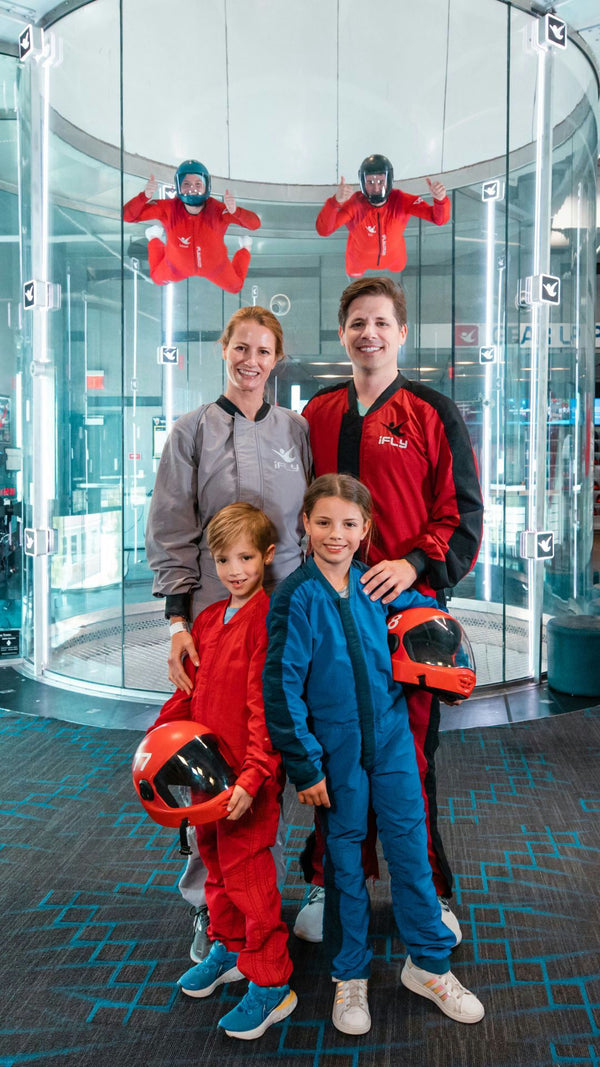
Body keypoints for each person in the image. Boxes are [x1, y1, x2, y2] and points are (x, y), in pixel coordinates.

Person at [295, 275, 483, 944]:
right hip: (330, 617)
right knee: (336, 751)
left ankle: (427, 889)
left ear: (401, 333)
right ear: (342, 334)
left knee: (409, 761)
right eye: (356, 323)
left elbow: (463, 514)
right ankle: (327, 877)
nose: (368, 332)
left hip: (407, 616)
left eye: (380, 322)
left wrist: (416, 564)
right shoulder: (314, 413)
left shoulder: (433, 412)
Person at [263, 475, 485, 1035]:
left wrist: (417, 576)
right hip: (334, 757)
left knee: (412, 853)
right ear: (305, 526)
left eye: (349, 524)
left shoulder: (376, 586)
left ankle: (429, 965)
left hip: (390, 746)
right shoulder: (295, 596)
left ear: (366, 531)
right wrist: (305, 765)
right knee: (344, 865)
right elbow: (281, 688)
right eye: (323, 522)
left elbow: (430, 620)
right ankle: (350, 975)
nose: (336, 535)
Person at [145, 304, 311, 960]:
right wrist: (178, 621)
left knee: (281, 749)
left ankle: (288, 885)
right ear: (224, 350)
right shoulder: (191, 432)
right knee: (211, 756)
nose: (251, 360)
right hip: (217, 623)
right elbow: (171, 529)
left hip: (289, 621)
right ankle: (206, 903)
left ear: (277, 358)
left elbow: (306, 527)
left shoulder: (295, 430)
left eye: (263, 350)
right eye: (241, 347)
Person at [148, 503, 297, 1040]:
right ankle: (229, 949)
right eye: (223, 560)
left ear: (268, 557)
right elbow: (187, 697)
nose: (235, 570)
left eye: (246, 558)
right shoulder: (208, 620)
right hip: (203, 781)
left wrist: (255, 777)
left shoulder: (266, 622)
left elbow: (267, 712)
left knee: (250, 878)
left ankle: (271, 980)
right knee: (213, 865)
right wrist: (156, 749)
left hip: (246, 785)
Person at [123, 159, 260, 291]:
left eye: (198, 184)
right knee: (157, 279)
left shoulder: (218, 210)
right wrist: (144, 196)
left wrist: (236, 211)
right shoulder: (169, 208)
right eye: (186, 184)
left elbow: (255, 224)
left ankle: (245, 248)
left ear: (206, 186)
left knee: (235, 287)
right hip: (176, 266)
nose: (192, 189)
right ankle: (154, 238)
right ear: (178, 187)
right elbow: (128, 216)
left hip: (216, 267)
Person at [315, 153, 449, 277]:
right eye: (370, 182)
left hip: (395, 258)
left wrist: (440, 199)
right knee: (354, 274)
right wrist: (335, 202)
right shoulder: (354, 205)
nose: (376, 188)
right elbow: (324, 229)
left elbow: (439, 219)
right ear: (362, 183)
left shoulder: (401, 200)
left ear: (389, 180)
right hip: (358, 260)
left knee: (398, 268)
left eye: (380, 182)